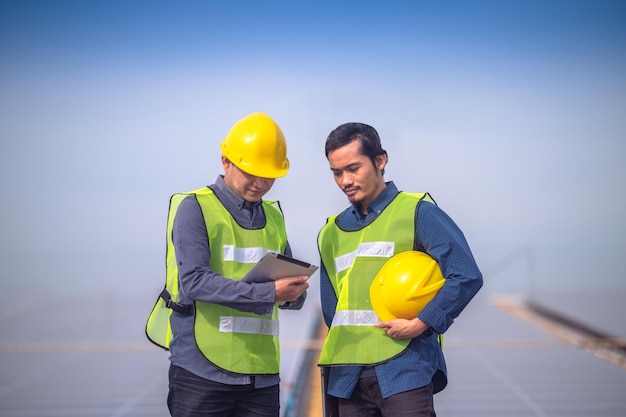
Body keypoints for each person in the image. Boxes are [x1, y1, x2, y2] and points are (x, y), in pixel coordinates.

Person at [147, 112, 309, 417]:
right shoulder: (196, 208)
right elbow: (193, 281)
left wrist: (294, 292)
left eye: (269, 175)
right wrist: (269, 294)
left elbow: (287, 291)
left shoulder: (274, 217)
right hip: (202, 372)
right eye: (252, 172)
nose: (261, 183)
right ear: (226, 162)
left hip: (261, 374)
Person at [317, 122, 483, 417]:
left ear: (380, 161)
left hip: (403, 368)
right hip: (347, 377)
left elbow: (465, 274)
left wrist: (421, 322)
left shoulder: (417, 211)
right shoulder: (330, 232)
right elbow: (333, 310)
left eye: (353, 168)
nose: (345, 180)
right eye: (336, 172)